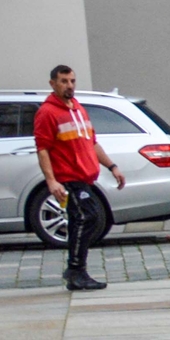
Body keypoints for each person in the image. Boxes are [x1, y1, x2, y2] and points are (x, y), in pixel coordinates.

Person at [32, 64, 124, 293]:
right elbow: (42, 149)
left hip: (85, 178)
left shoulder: (78, 109)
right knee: (87, 217)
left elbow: (91, 143)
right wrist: (52, 181)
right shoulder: (47, 112)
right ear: (53, 83)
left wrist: (112, 166)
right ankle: (75, 269)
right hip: (68, 178)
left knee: (82, 219)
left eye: (72, 81)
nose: (69, 85)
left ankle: (76, 270)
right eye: (63, 81)